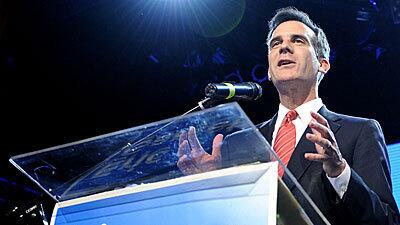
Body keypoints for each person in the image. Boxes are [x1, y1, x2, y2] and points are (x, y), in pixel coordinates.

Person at [177, 7, 399, 225]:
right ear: (269, 72)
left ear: (323, 64)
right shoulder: (236, 143)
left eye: (298, 40)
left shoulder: (359, 132)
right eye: (276, 43)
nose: (284, 47)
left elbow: (386, 220)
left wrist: (340, 172)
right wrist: (210, 184)